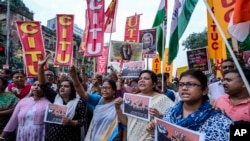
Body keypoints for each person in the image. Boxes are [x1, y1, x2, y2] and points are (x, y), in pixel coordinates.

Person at [146, 70, 233, 141]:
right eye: (181, 85)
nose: (184, 88)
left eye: (191, 84)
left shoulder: (220, 121)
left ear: (204, 90)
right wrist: (155, 133)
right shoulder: (170, 113)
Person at [38, 56, 88, 141]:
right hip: (52, 137)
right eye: (61, 86)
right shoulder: (55, 98)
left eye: (66, 86)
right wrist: (40, 67)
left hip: (69, 137)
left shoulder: (78, 103)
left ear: (72, 90)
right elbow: (43, 85)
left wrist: (71, 122)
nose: (62, 88)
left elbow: (83, 120)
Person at [115, 70, 174, 141]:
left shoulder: (163, 99)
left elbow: (173, 124)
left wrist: (159, 117)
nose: (142, 80)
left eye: (146, 79)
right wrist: (117, 108)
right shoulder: (132, 98)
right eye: (140, 79)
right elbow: (126, 122)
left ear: (154, 84)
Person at [68, 65, 123, 141]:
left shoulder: (118, 104)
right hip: (95, 137)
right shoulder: (98, 100)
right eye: (103, 87)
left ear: (114, 90)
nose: (104, 90)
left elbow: (124, 125)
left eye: (108, 88)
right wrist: (74, 77)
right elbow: (83, 94)